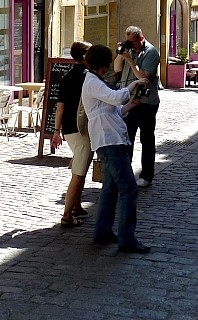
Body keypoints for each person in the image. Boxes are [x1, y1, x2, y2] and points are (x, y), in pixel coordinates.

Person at [82, 44, 151, 253]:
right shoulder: (92, 82)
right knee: (129, 188)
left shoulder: (96, 82)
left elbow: (112, 109)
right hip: (109, 141)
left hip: (111, 137)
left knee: (110, 189)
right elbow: (115, 98)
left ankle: (103, 232)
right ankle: (127, 239)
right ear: (102, 64)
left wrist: (130, 105)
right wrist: (133, 85)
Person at [51, 41, 93, 229]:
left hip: (69, 129)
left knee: (81, 166)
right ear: (85, 56)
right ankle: (67, 215)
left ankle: (76, 206)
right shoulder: (89, 77)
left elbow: (60, 108)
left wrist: (56, 131)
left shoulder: (67, 77)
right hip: (82, 129)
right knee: (78, 173)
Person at [114, 26, 160, 188]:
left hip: (146, 102)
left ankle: (146, 175)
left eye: (133, 42)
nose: (131, 45)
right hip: (128, 101)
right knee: (127, 139)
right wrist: (121, 55)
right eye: (128, 42)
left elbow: (143, 76)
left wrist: (131, 60)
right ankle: (126, 174)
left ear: (141, 38)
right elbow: (116, 69)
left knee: (146, 139)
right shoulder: (128, 50)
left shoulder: (151, 52)